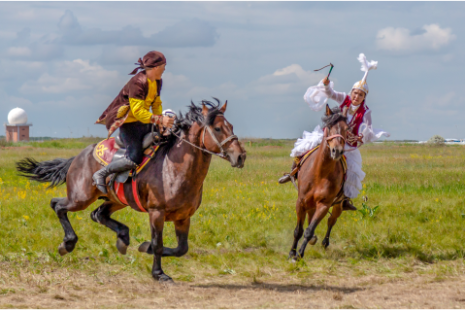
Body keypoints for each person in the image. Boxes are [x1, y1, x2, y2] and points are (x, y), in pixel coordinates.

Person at [279, 53, 390, 211]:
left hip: (348, 145)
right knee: (305, 146)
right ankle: (292, 172)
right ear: (351, 93)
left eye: (360, 95)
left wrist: (361, 136)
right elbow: (331, 94)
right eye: (355, 93)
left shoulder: (366, 112)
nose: (356, 97)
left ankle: (344, 199)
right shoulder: (344, 98)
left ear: (364, 97)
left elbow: (369, 130)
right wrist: (326, 85)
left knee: (352, 171)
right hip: (330, 137)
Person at [92, 50, 175, 194]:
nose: (165, 69)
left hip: (144, 122)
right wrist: (160, 119)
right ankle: (101, 173)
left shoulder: (157, 81)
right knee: (134, 157)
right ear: (156, 67)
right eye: (164, 66)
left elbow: (156, 104)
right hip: (129, 124)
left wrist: (161, 124)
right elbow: (138, 113)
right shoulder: (138, 82)